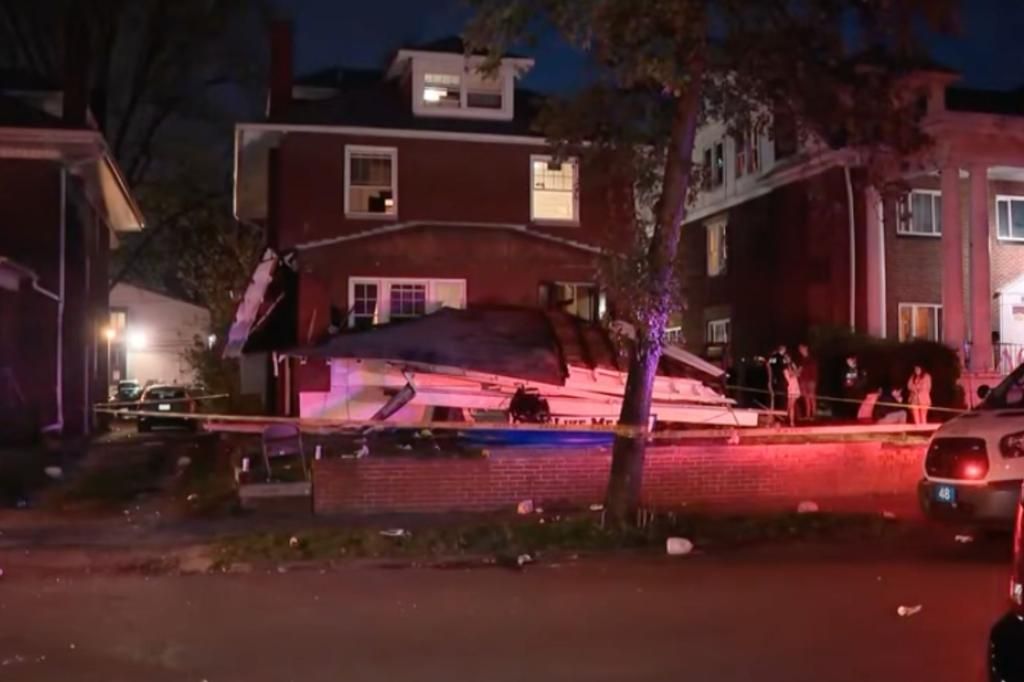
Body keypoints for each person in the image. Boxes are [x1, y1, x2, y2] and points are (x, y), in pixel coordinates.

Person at [841, 354, 867, 420]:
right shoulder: (845, 370)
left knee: (858, 409)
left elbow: (864, 381)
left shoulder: (861, 370)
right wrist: (846, 384)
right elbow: (843, 380)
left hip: (858, 394)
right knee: (849, 409)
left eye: (851, 360)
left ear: (854, 360)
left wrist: (855, 384)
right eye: (848, 361)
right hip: (848, 394)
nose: (849, 362)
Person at [796, 344, 818, 421]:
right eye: (800, 349)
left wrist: (814, 380)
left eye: (802, 349)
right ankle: (808, 415)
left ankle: (814, 414)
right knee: (806, 398)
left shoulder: (811, 359)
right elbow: (799, 370)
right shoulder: (801, 360)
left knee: (812, 397)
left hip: (811, 380)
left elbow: (814, 371)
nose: (801, 351)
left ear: (806, 348)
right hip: (803, 381)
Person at [784, 361, 801, 427]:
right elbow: (792, 375)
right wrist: (796, 370)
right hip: (790, 389)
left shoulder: (792, 368)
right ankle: (788, 420)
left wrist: (795, 368)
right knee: (789, 406)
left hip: (795, 389)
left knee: (791, 406)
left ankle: (791, 422)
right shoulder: (785, 370)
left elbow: (798, 374)